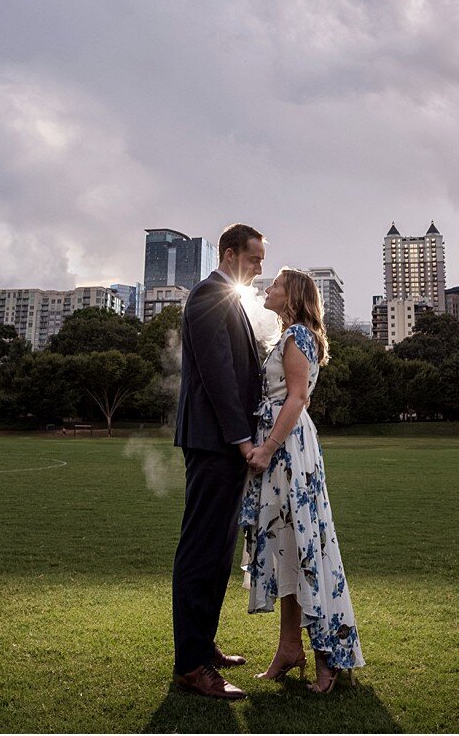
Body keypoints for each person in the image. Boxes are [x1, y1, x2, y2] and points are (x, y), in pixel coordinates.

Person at [240, 267, 365, 692]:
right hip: (284, 448)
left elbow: (296, 398)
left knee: (307, 543)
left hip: (288, 449)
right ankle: (289, 648)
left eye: (274, 285)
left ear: (290, 295)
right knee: (288, 546)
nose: (267, 289)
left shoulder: (298, 337)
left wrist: (268, 447)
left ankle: (327, 657)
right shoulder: (289, 336)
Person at [170, 223, 268, 700]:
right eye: (253, 259)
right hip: (213, 443)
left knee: (217, 552)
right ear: (229, 255)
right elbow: (219, 375)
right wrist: (243, 440)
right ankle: (190, 665)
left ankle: (202, 646)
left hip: (222, 445)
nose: (259, 268)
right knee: (201, 551)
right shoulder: (209, 295)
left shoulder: (228, 298)